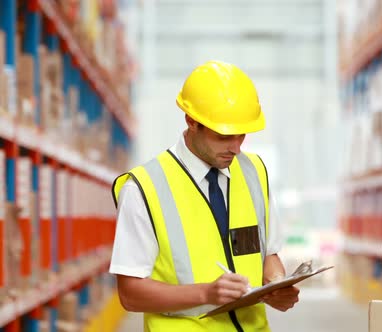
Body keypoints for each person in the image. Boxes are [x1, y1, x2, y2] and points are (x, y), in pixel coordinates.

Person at [110, 60, 300, 331]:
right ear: (191, 121)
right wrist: (205, 294)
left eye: (241, 135)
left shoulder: (254, 171)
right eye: (224, 136)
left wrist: (277, 285)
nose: (235, 148)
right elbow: (130, 293)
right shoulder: (144, 187)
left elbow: (268, 255)